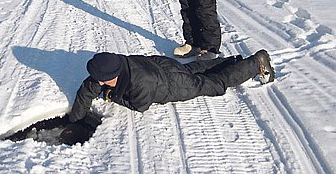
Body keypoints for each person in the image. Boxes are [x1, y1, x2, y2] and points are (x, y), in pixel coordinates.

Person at [68, 50, 275, 122]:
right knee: (197, 68)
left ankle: (256, 63)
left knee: (215, 84)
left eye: (103, 80)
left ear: (113, 76)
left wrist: (112, 96)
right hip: (163, 65)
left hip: (174, 85)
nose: (100, 83)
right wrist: (75, 120)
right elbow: (88, 89)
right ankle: (234, 62)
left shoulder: (140, 84)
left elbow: (140, 106)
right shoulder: (117, 63)